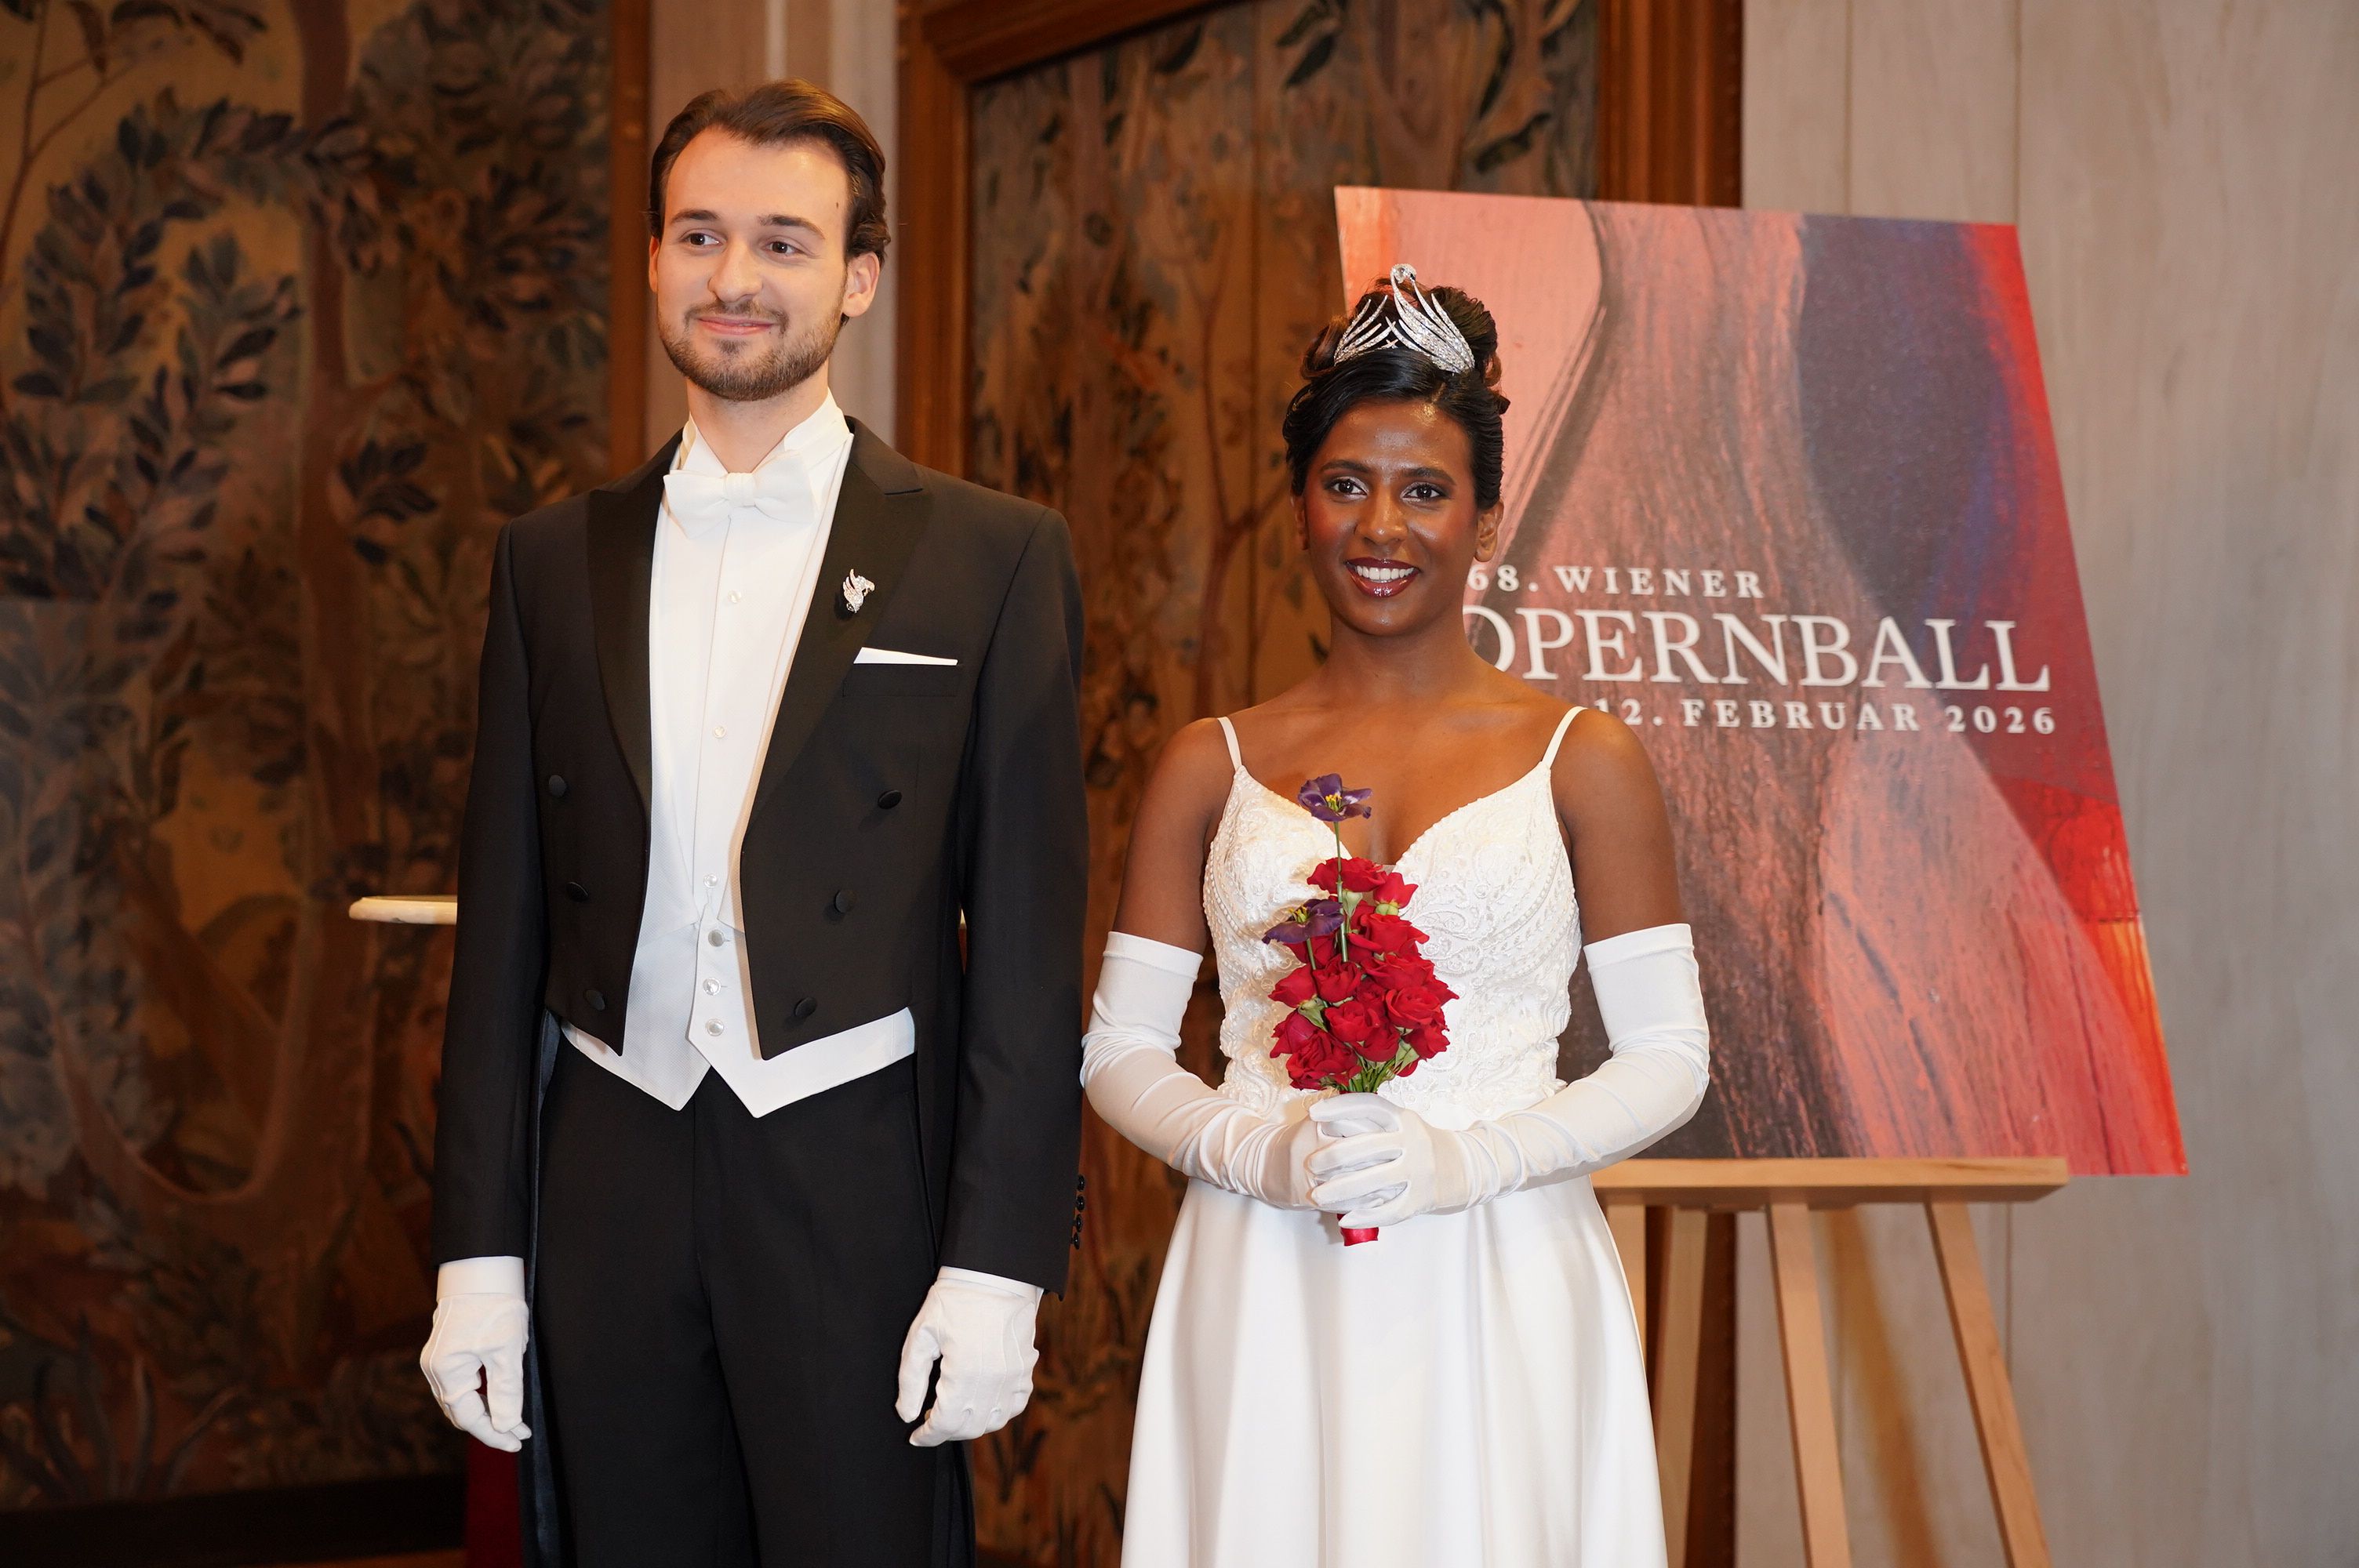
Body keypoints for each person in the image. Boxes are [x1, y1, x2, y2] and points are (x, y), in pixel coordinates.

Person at [416, 80, 1088, 1568]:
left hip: (856, 1182)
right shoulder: (547, 562)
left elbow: (1033, 957)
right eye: (701, 235)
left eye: (785, 243)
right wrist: (479, 1256)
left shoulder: (992, 557)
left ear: (857, 277)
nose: (735, 279)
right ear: (652, 258)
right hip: (609, 1173)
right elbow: (500, 936)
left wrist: (999, 1268)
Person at [1086, 266, 1710, 1566]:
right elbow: (1121, 1049)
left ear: (1487, 521)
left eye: (1427, 491)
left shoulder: (1582, 755)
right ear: (1302, 507)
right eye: (1347, 484)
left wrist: (1465, 1164)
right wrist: (1250, 1150)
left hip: (1501, 1258)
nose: (1384, 525)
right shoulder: (1213, 763)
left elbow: (1670, 1058)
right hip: (1264, 1265)